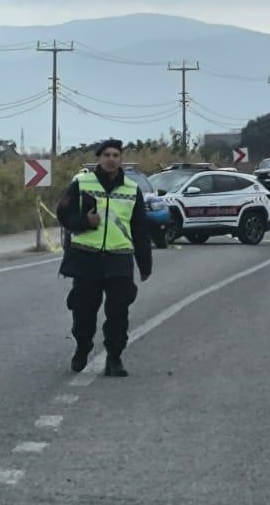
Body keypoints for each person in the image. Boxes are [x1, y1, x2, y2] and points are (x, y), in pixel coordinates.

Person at [56, 139, 153, 377]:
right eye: (107, 155)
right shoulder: (81, 183)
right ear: (99, 158)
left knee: (119, 312)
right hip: (86, 258)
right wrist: (84, 222)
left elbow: (140, 229)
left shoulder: (132, 189)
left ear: (121, 159)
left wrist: (145, 264)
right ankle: (82, 348)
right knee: (83, 312)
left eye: (116, 155)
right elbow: (63, 215)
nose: (111, 159)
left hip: (119, 259)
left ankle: (114, 358)